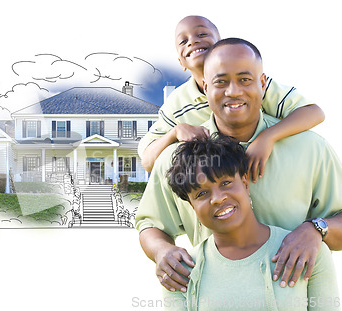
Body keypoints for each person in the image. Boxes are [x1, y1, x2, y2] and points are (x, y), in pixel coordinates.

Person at [135, 38, 342, 294]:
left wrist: (316, 229)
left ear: (263, 83)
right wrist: (162, 251)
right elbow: (150, 223)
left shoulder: (311, 148)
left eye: (245, 79)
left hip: (294, 299)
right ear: (204, 86)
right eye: (221, 82)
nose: (233, 91)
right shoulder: (176, 159)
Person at [138, 15, 325, 184]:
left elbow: (314, 113)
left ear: (221, 44)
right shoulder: (177, 104)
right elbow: (147, 161)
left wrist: (267, 137)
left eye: (202, 34)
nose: (193, 41)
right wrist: (175, 132)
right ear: (181, 62)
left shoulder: (252, 85)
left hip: (269, 174)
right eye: (183, 41)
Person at [163, 134, 340, 311]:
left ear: (246, 184)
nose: (217, 198)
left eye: (225, 183)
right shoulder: (180, 272)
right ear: (192, 207)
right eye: (201, 194)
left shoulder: (306, 251)